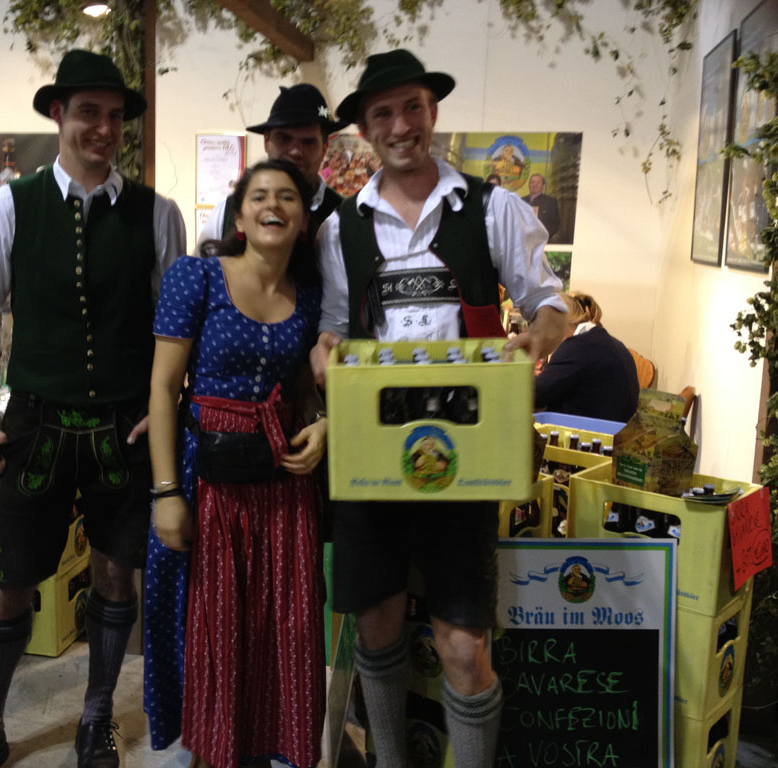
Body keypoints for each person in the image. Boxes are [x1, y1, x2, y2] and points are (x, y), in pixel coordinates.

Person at [309, 50, 568, 768]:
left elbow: (552, 304)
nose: (401, 125)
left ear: (433, 112)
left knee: (463, 645)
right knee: (378, 628)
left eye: (413, 107)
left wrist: (538, 337)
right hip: (373, 450)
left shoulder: (494, 208)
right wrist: (325, 350)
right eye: (384, 113)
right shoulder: (341, 228)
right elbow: (334, 324)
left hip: (468, 450)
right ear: (365, 128)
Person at [0, 49, 186, 768]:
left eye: (115, 116)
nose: (104, 129)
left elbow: (173, 333)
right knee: (9, 582)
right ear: (58, 114)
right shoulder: (4, 208)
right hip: (35, 423)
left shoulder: (158, 214)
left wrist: (166, 409)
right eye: (89, 112)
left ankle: (97, 720)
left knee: (115, 576)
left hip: (124, 427)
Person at [146, 158, 328, 768]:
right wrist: (165, 492)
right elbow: (163, 388)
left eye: (287, 197)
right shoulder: (196, 277)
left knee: (283, 625)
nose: (273, 204)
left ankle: (269, 747)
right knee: (213, 624)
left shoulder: (311, 297)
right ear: (241, 217)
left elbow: (304, 388)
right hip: (207, 475)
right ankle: (213, 750)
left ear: (303, 221)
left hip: (282, 480)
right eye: (259, 196)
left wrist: (325, 423)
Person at [196, 83, 347, 250]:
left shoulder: (346, 217)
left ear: (325, 148)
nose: (295, 151)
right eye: (284, 139)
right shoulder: (226, 213)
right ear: (266, 141)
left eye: (308, 142)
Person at [534, 292, 639, 422]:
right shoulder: (611, 343)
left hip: (588, 432)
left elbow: (532, 396)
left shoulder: (576, 347)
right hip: (616, 431)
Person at [522, 173, 561, 242]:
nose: (535, 184)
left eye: (538, 182)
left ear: (543, 186)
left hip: (542, 241)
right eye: (532, 182)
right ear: (529, 185)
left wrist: (543, 237)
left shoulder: (550, 201)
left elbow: (555, 224)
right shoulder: (521, 200)